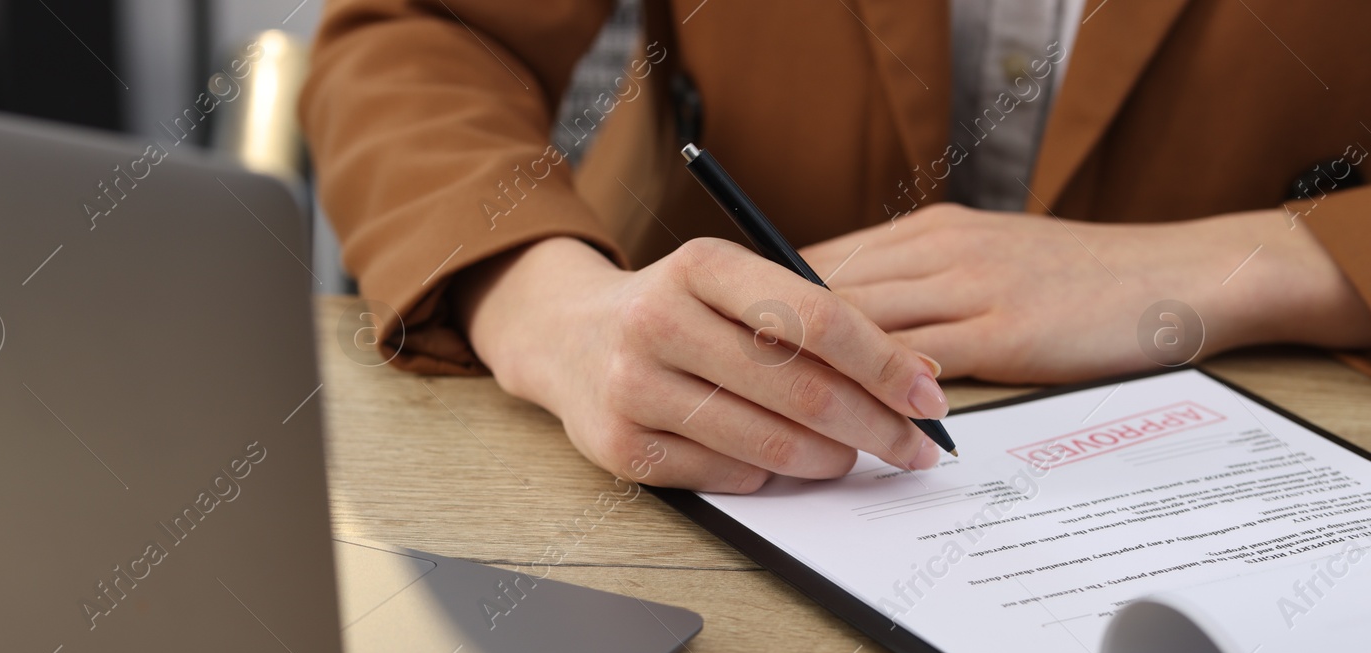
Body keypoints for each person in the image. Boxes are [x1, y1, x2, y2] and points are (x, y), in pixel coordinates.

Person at [300, 0, 1371, 493]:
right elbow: (424, 31)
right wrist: (546, 303)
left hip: (1242, 454)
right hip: (706, 434)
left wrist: (1261, 261)